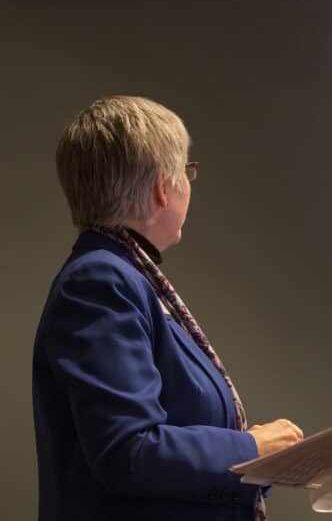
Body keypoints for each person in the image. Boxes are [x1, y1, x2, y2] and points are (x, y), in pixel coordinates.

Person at [32, 96, 304, 521]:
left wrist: (258, 458)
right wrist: (251, 448)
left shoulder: (125, 276)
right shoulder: (101, 281)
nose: (188, 183)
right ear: (163, 186)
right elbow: (128, 451)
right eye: (187, 171)